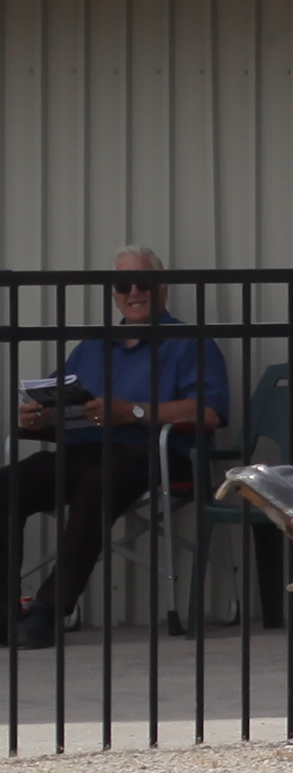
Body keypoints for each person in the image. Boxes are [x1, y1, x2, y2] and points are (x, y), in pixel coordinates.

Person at [6, 253, 230, 646]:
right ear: (114, 295)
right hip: (85, 451)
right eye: (123, 286)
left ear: (164, 288)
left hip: (155, 454)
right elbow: (60, 401)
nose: (134, 292)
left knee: (97, 484)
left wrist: (134, 412)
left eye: (143, 283)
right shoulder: (93, 345)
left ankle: (48, 610)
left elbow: (208, 413)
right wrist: (39, 417)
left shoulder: (190, 341)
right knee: (9, 483)